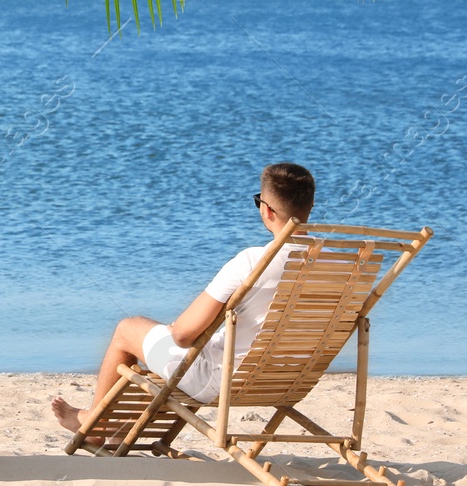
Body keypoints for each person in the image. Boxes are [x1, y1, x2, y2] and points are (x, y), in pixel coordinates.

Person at [50, 162, 316, 435]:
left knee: (128, 329)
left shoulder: (252, 261)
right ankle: (103, 420)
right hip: (290, 381)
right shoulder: (340, 263)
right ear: (310, 206)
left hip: (225, 380)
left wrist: (172, 330)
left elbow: (183, 336)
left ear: (266, 209)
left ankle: (96, 424)